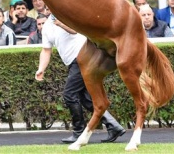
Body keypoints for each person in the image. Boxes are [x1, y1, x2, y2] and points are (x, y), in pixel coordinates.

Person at [35, 14, 126, 144]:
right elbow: (46, 50)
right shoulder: (47, 27)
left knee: (69, 94)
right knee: (85, 98)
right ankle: (114, 126)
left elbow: (74, 30)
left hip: (83, 58)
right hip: (73, 62)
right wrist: (41, 69)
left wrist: (61, 23)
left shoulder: (66, 15)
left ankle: (78, 132)